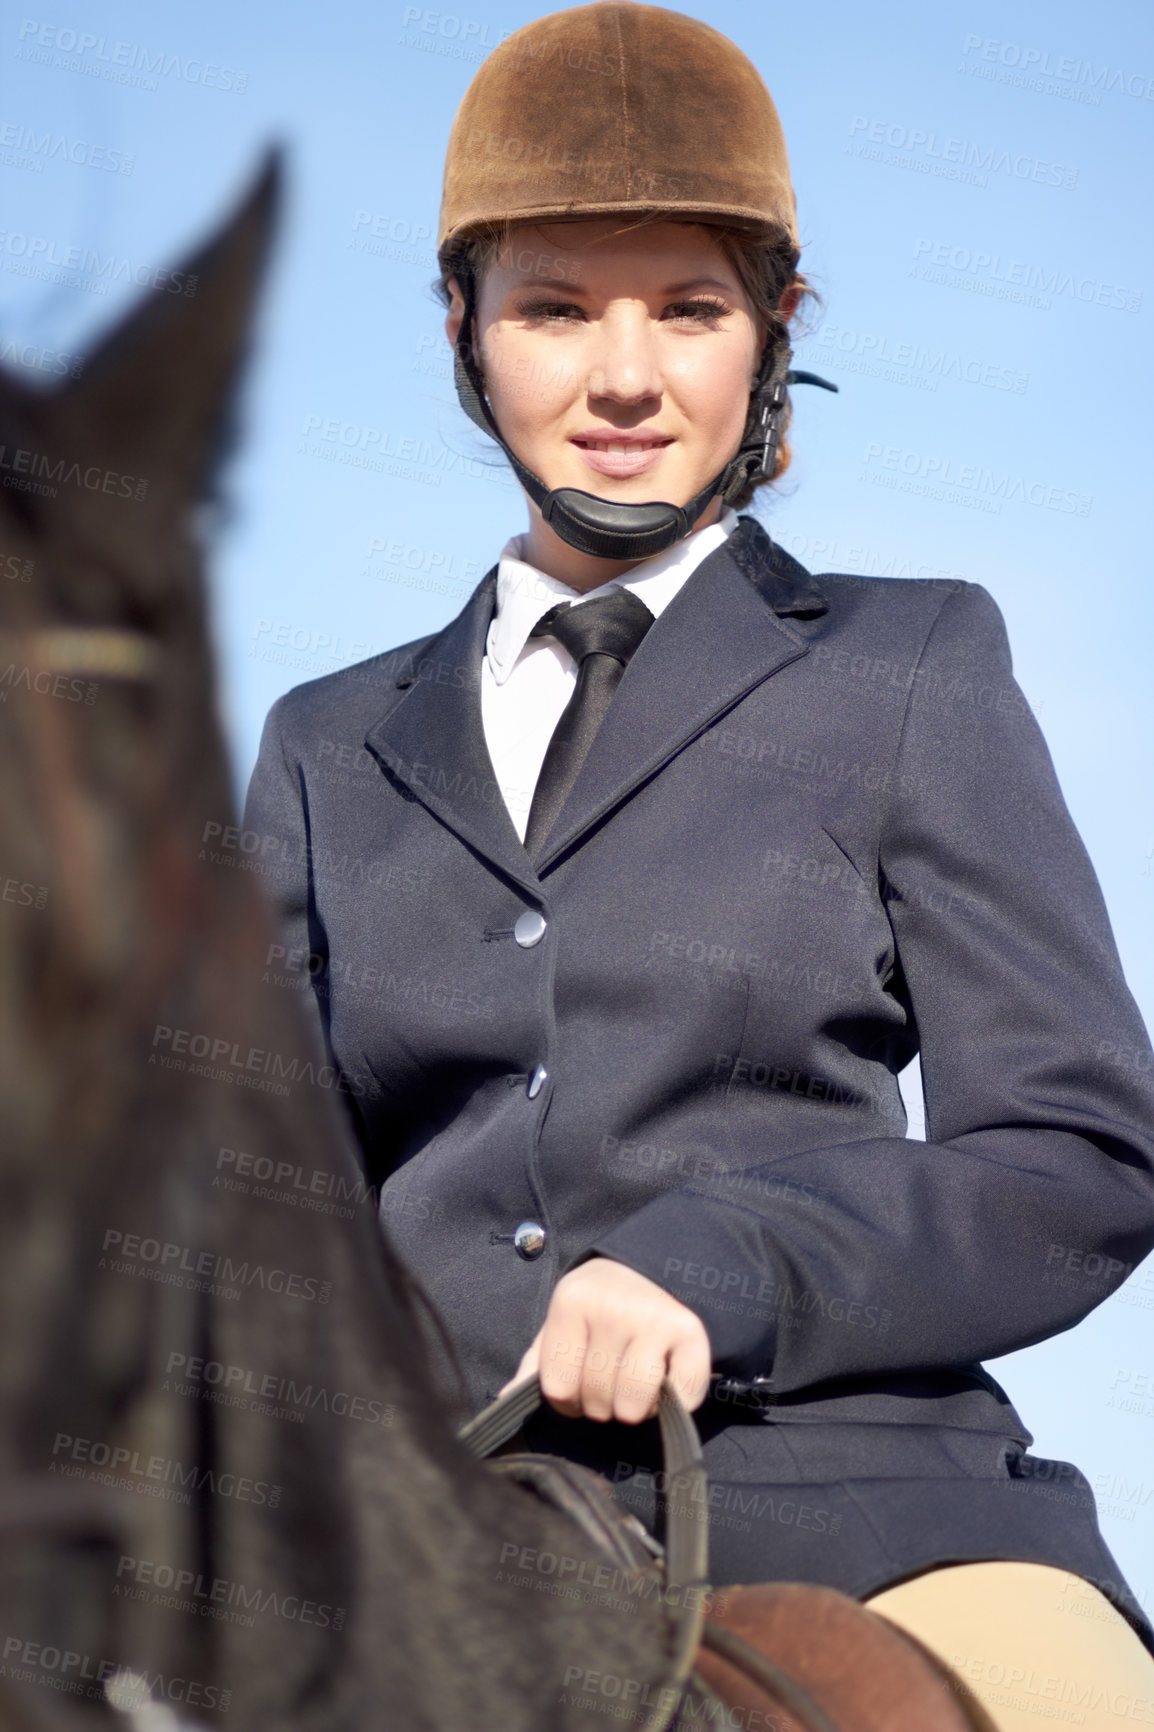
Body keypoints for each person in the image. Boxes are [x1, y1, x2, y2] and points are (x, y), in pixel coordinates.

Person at [244, 3, 1154, 1717]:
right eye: (553, 308)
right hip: (427, 1544)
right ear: (462, 330)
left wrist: (726, 1256)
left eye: (687, 307)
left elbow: (1075, 1151)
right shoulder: (318, 744)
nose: (621, 377)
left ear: (772, 331)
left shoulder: (911, 666)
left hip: (870, 1514)